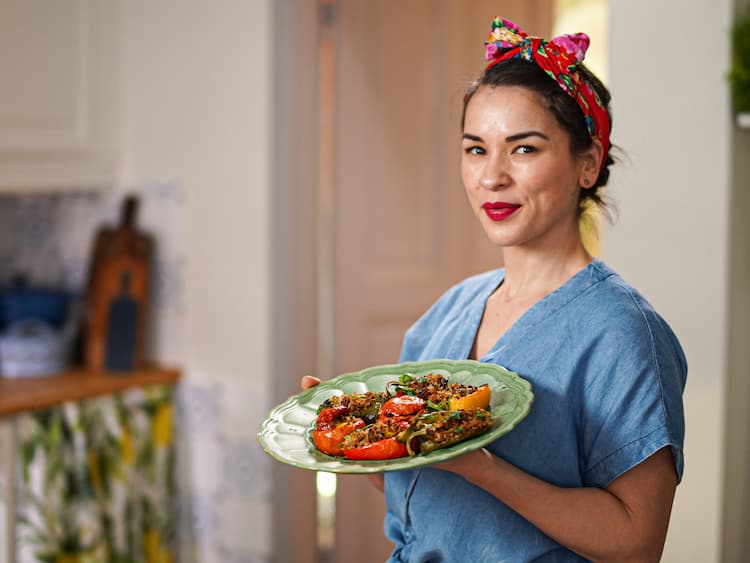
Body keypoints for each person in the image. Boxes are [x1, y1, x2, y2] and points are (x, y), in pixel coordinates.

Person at [303, 16, 686, 562]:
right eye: (476, 149)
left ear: (588, 163)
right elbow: (418, 492)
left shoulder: (623, 333)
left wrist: (482, 468)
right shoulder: (449, 312)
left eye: (524, 149)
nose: (492, 177)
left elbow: (636, 542)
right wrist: (354, 437)